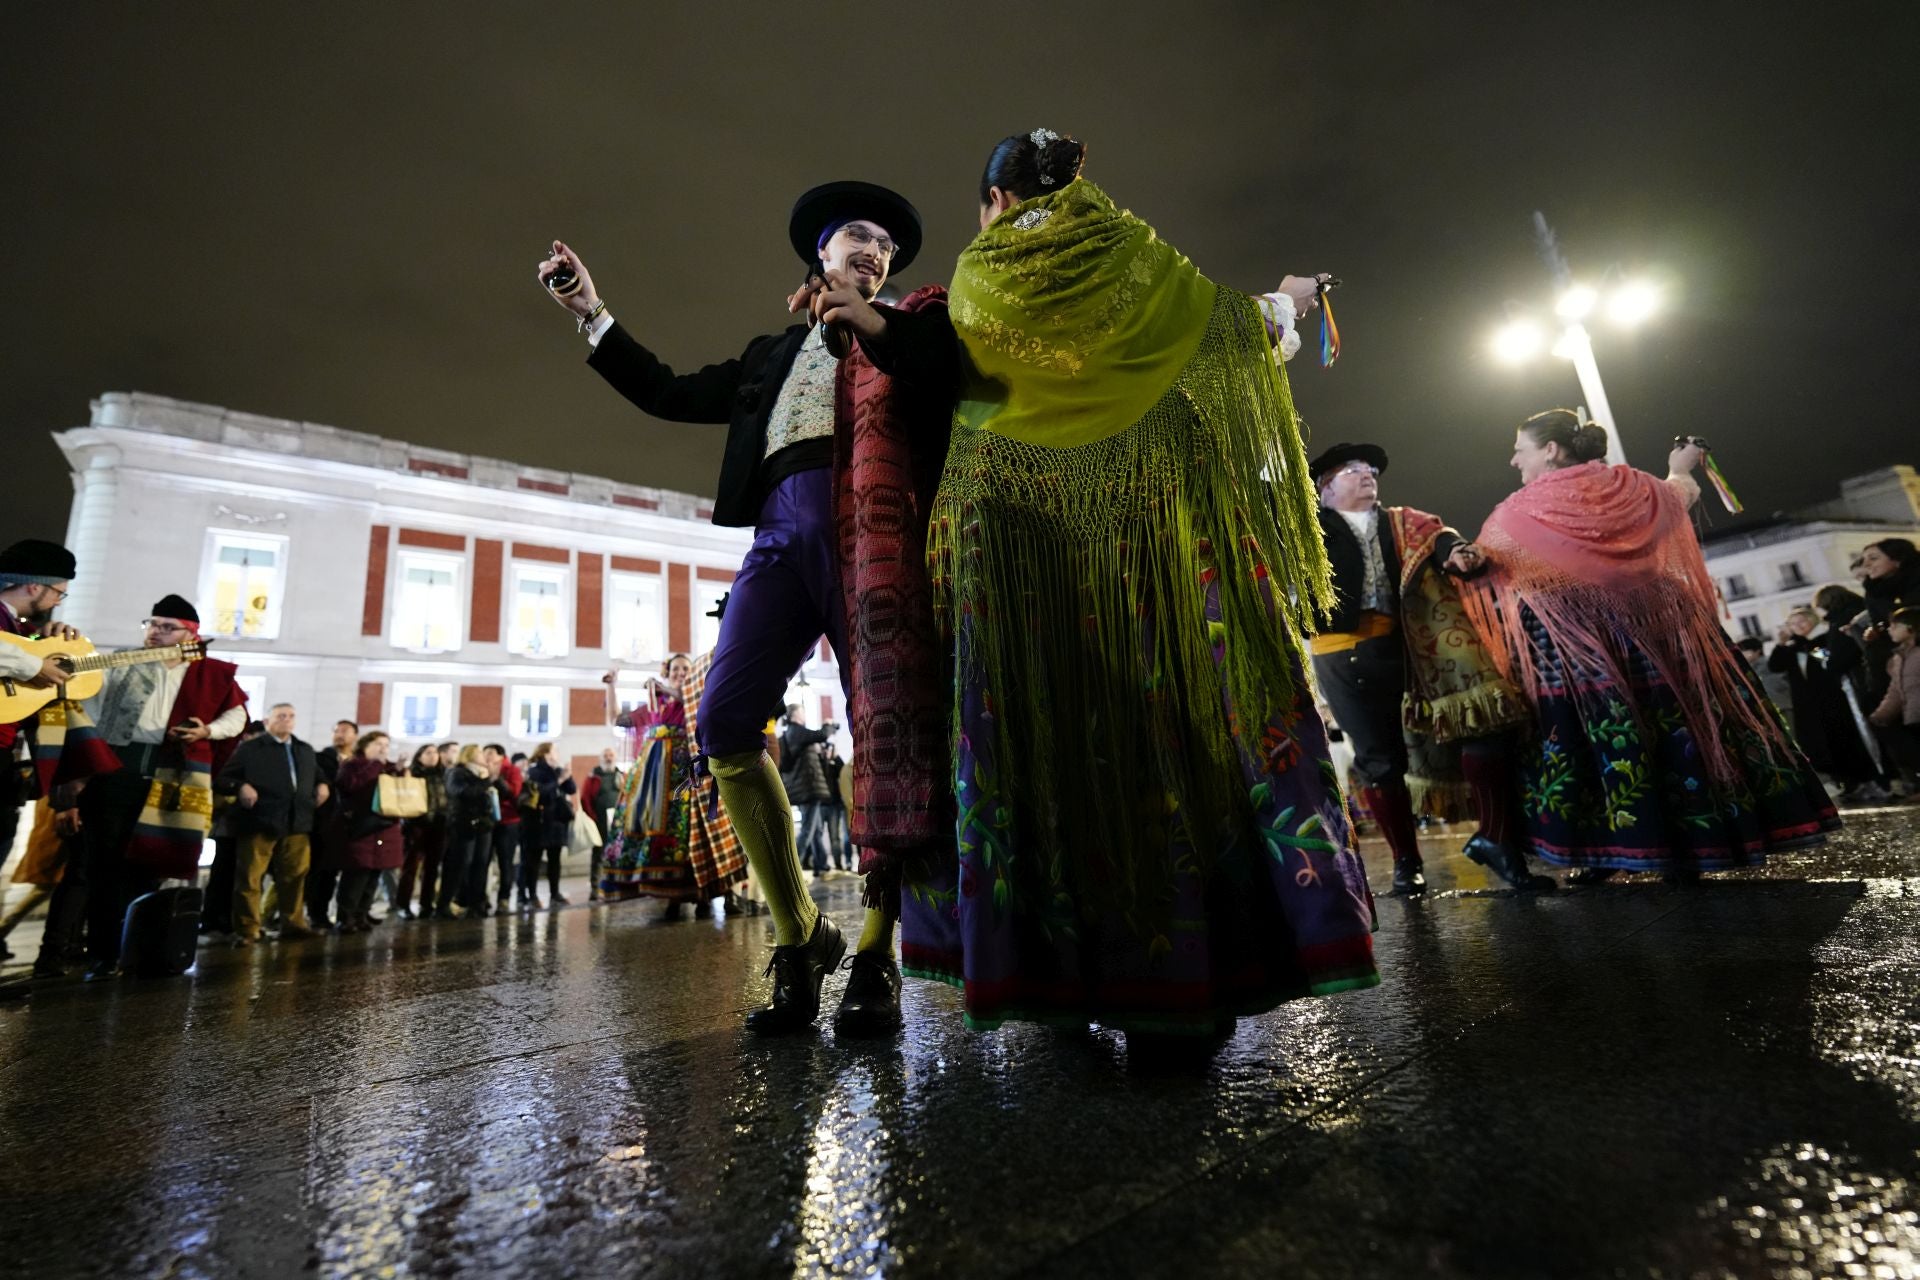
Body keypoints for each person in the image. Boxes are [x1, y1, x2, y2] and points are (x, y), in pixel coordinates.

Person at [860, 129, 1379, 1041]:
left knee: (1044, 747)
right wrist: (1290, 301)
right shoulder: (1137, 259)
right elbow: (1236, 331)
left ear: (996, 202)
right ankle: (1195, 976)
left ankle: (1057, 975)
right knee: (1177, 732)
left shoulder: (979, 274)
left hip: (1011, 548)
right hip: (1154, 543)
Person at [543, 177, 957, 1036]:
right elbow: (667, 392)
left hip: (873, 531)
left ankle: (876, 950)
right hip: (777, 537)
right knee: (723, 724)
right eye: (858, 234)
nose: (875, 250)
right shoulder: (772, 355)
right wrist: (592, 313)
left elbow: (949, 380)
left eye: (886, 245)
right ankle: (802, 933)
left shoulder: (910, 328)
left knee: (888, 733)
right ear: (821, 250)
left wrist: (873, 325)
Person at [1455, 410, 1839, 881]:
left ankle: (1610, 848)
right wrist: (1680, 467)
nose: (1515, 460)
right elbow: (1680, 496)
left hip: (1571, 645)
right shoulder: (1634, 487)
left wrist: (1463, 560)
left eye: (1521, 450)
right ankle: (1699, 843)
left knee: (1590, 736)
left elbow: (1483, 562)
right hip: (1662, 629)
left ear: (1550, 450)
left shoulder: (1518, 512)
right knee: (1680, 725)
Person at [1306, 442, 1545, 896]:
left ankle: (1496, 838)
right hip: (1342, 653)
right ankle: (1405, 863)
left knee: (1485, 724)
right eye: (1353, 470)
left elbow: (1439, 537)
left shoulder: (1403, 522)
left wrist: (1456, 552)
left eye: (1370, 469)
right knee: (1380, 760)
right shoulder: (1307, 529)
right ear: (1325, 487)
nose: (1367, 474)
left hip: (1415, 647)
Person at [73, 596, 248, 978]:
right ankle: (102, 954)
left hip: (172, 778)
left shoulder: (211, 672)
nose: (155, 632)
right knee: (104, 863)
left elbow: (237, 717)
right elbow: (89, 710)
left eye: (167, 627)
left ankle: (137, 949)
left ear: (191, 634)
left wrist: (207, 730)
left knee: (150, 862)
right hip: (115, 771)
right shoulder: (121, 662)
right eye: (151, 624)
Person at [216, 703, 327, 945]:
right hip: (260, 820)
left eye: (291, 716)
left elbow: (317, 775)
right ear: (268, 721)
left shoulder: (304, 749)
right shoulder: (251, 749)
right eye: (281, 716)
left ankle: (293, 924)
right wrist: (241, 786)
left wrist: (322, 785)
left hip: (296, 821)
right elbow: (224, 778)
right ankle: (248, 929)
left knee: (295, 876)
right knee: (250, 878)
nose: (287, 720)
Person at [1768, 605, 1886, 801]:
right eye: (1793, 624)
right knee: (1819, 745)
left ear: (1813, 620)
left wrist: (1809, 646)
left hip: (1832, 700)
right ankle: (1844, 782)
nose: (1798, 626)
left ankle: (1864, 781)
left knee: (1843, 739)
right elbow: (1775, 666)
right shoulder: (1792, 647)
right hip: (1807, 705)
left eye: (1802, 621)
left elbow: (1828, 661)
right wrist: (1781, 643)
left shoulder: (1824, 639)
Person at [333, 731, 404, 932]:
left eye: (386, 745)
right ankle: (345, 918)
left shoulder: (388, 767)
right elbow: (351, 786)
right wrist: (375, 765)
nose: (383, 749)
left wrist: (399, 771)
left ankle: (361, 915)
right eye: (378, 744)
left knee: (374, 873)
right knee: (357, 874)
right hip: (361, 827)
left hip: (384, 827)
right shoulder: (353, 765)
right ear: (365, 745)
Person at [306, 719, 358, 930]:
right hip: (324, 823)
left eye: (345, 731)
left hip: (349, 825)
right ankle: (316, 914)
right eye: (336, 730)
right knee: (319, 871)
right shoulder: (320, 758)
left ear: (355, 736)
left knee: (338, 872)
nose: (340, 734)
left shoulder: (359, 762)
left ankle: (345, 913)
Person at [778, 707, 836, 879]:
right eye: (802, 711)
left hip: (803, 789)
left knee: (816, 830)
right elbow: (822, 735)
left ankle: (821, 865)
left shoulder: (790, 734)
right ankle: (790, 871)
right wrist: (828, 725)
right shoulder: (797, 731)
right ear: (796, 715)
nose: (804, 714)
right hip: (809, 789)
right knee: (808, 830)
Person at [437, 744, 494, 919]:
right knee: (460, 863)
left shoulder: (484, 773)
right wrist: (486, 781)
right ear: (469, 755)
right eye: (479, 753)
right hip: (464, 824)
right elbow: (462, 792)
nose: (483, 756)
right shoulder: (457, 773)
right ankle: (445, 904)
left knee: (481, 864)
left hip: (483, 824)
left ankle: (477, 903)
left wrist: (491, 778)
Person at [520, 742, 576, 910]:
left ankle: (555, 893)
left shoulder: (557, 770)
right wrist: (559, 780)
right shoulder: (534, 771)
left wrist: (567, 776)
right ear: (546, 754)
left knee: (555, 860)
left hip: (556, 822)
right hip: (539, 821)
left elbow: (571, 789)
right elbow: (540, 792)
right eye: (554, 751)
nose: (557, 754)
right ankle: (532, 895)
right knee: (534, 860)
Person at [395, 743, 448, 918]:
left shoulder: (444, 774)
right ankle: (403, 905)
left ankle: (427, 904)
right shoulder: (412, 773)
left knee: (432, 868)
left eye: (435, 753)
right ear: (419, 756)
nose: (433, 756)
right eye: (428, 752)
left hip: (439, 826)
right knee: (410, 867)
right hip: (416, 825)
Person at [1869, 607, 1920, 762]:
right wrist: (1881, 716)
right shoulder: (1899, 657)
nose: (1890, 630)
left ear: (1910, 627)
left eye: (1895, 626)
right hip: (1913, 718)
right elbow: (1896, 691)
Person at [581, 746, 622, 901]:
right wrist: (593, 818)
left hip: (617, 824)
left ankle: (615, 887)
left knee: (616, 855)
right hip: (599, 823)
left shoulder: (620, 775)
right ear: (601, 758)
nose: (608, 758)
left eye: (611, 755)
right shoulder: (593, 777)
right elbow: (585, 799)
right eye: (605, 755)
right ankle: (595, 888)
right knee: (598, 856)